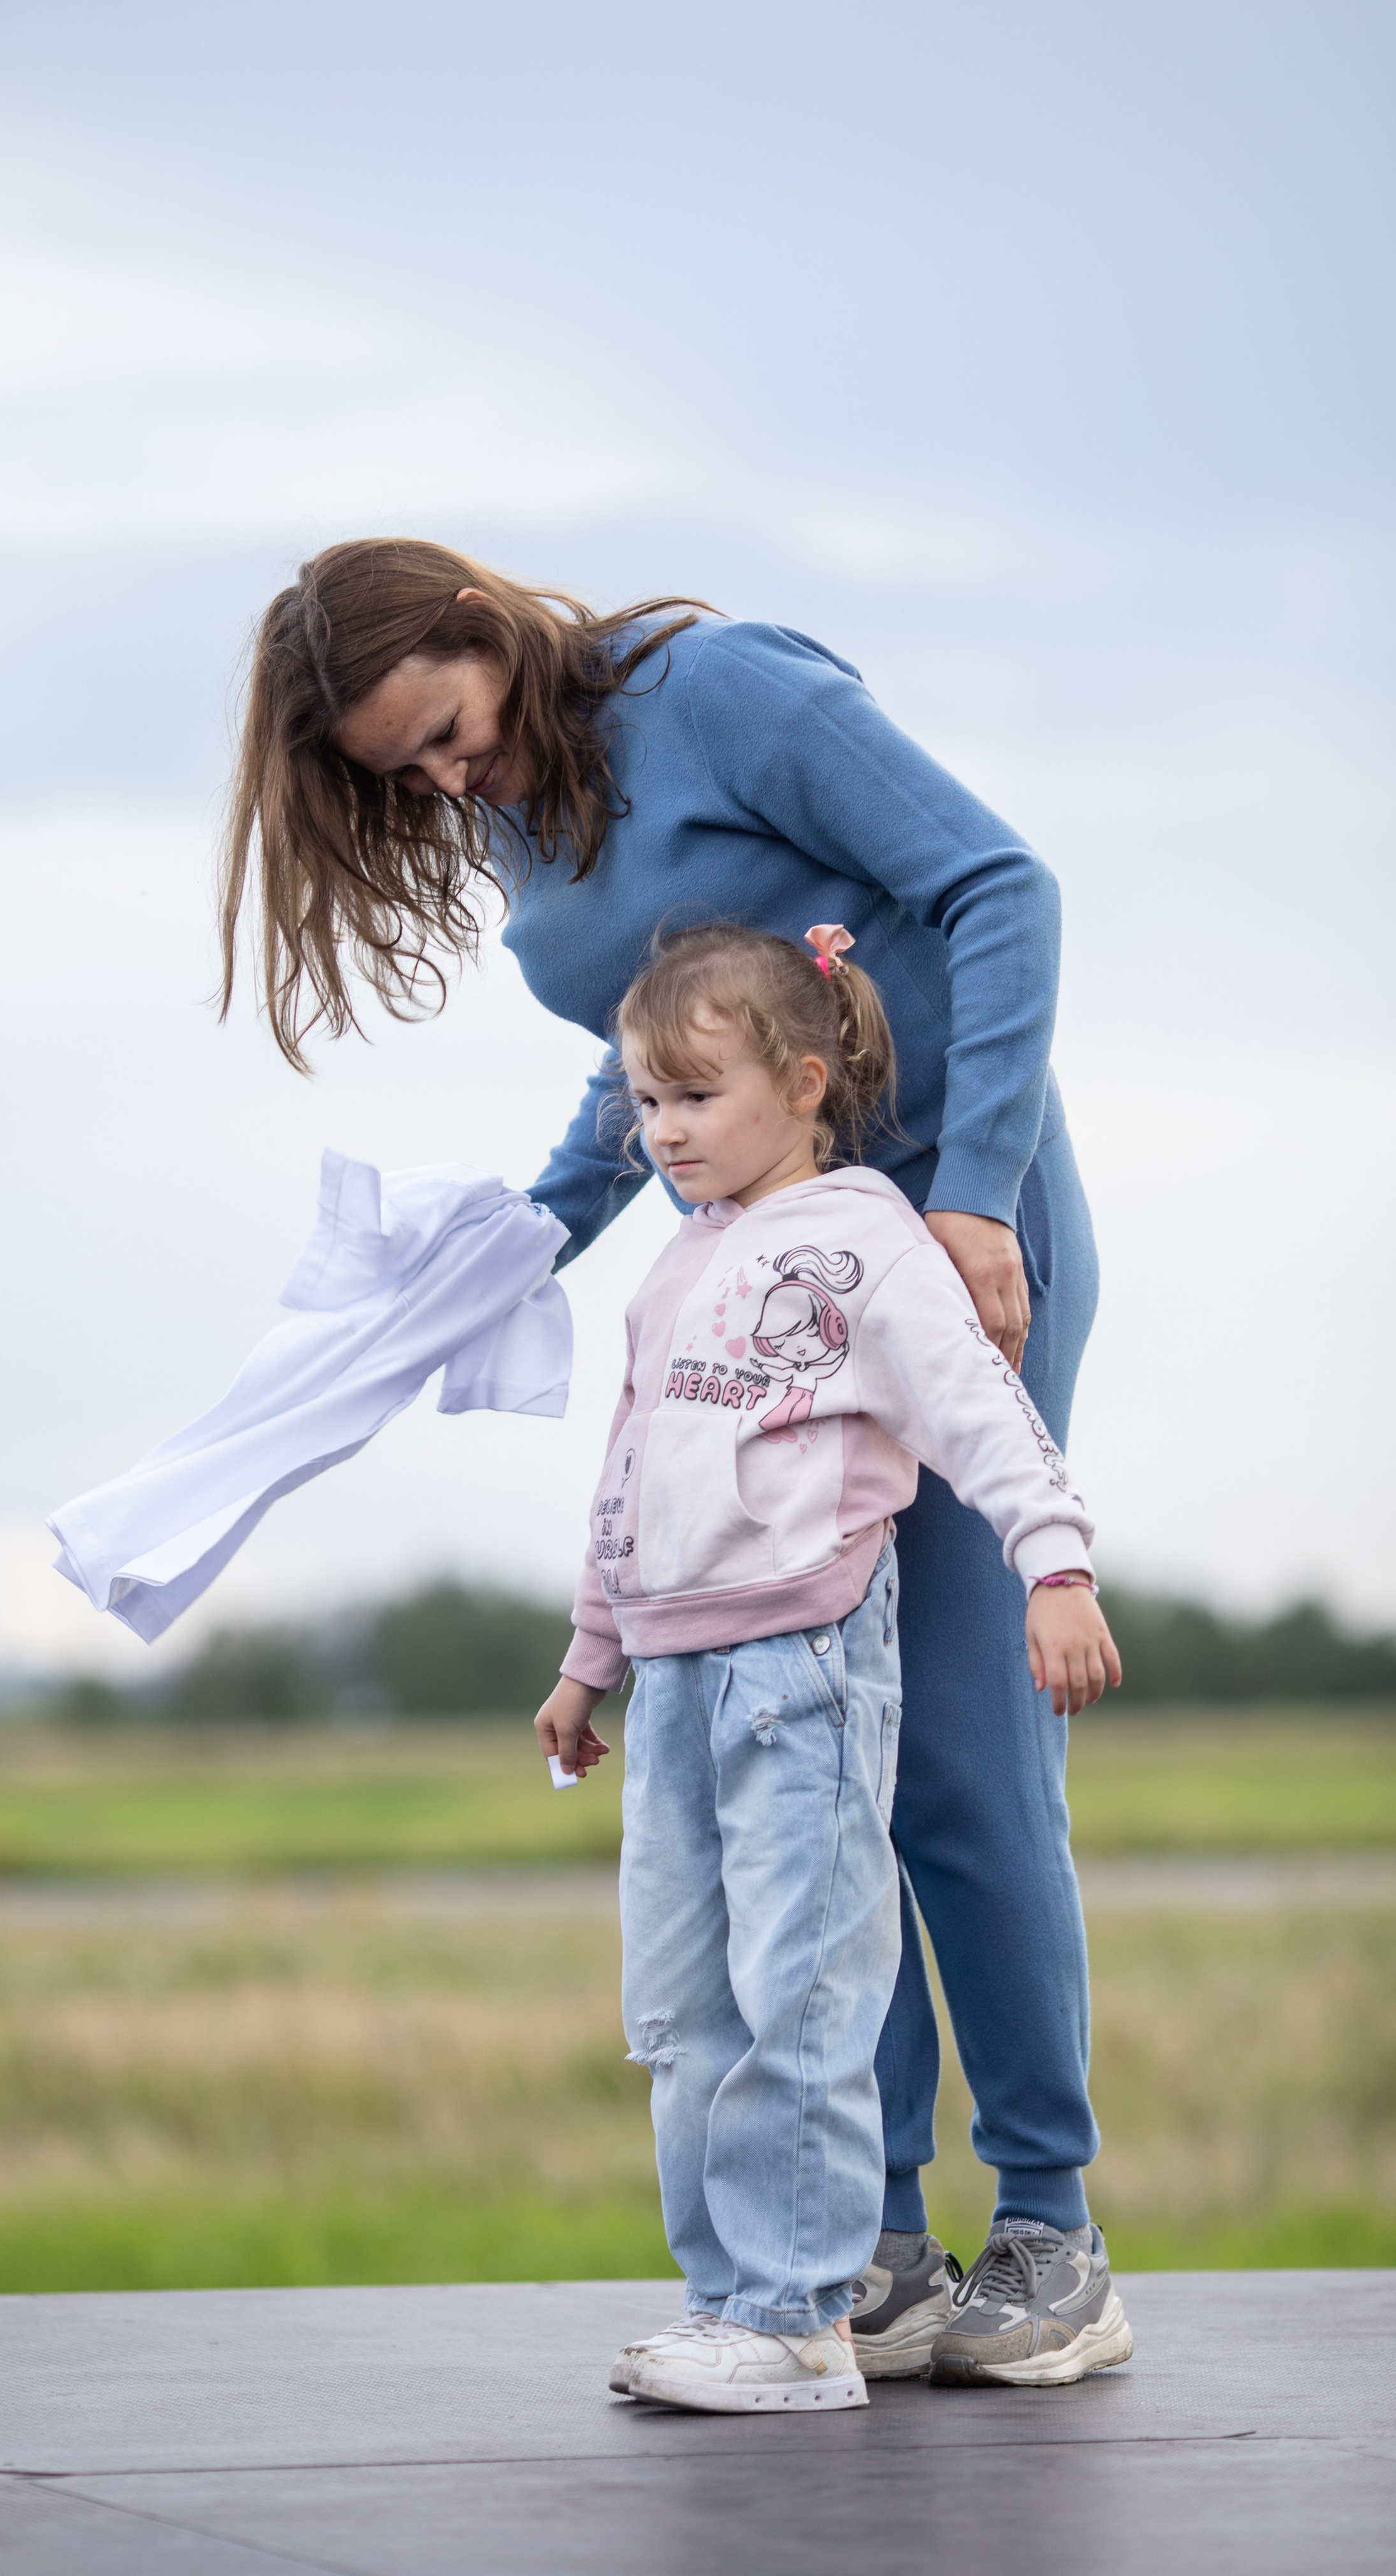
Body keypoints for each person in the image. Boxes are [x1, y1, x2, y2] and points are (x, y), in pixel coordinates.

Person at [224, 537, 1123, 2381]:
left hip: (948, 1240)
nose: (448, 790)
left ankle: (1054, 2236)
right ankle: (871, 2238)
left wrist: (968, 1204)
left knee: (950, 1748)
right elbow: (658, 1057)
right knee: (817, 1770)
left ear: (490, 633)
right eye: (409, 779)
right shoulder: (521, 812)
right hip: (765, 1282)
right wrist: (502, 1260)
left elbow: (999, 885)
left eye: (451, 738)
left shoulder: (719, 698)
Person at [531, 923, 1125, 2406]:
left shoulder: (868, 1238)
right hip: (670, 1683)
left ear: (801, 1083)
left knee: (800, 1988)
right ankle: (734, 2298)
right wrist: (587, 1653)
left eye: (694, 1096)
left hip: (800, 1669)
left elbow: (980, 1412)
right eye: (644, 1105)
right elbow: (632, 1468)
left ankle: (801, 2323)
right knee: (684, 2006)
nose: (663, 1132)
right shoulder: (677, 1264)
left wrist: (1052, 1565)